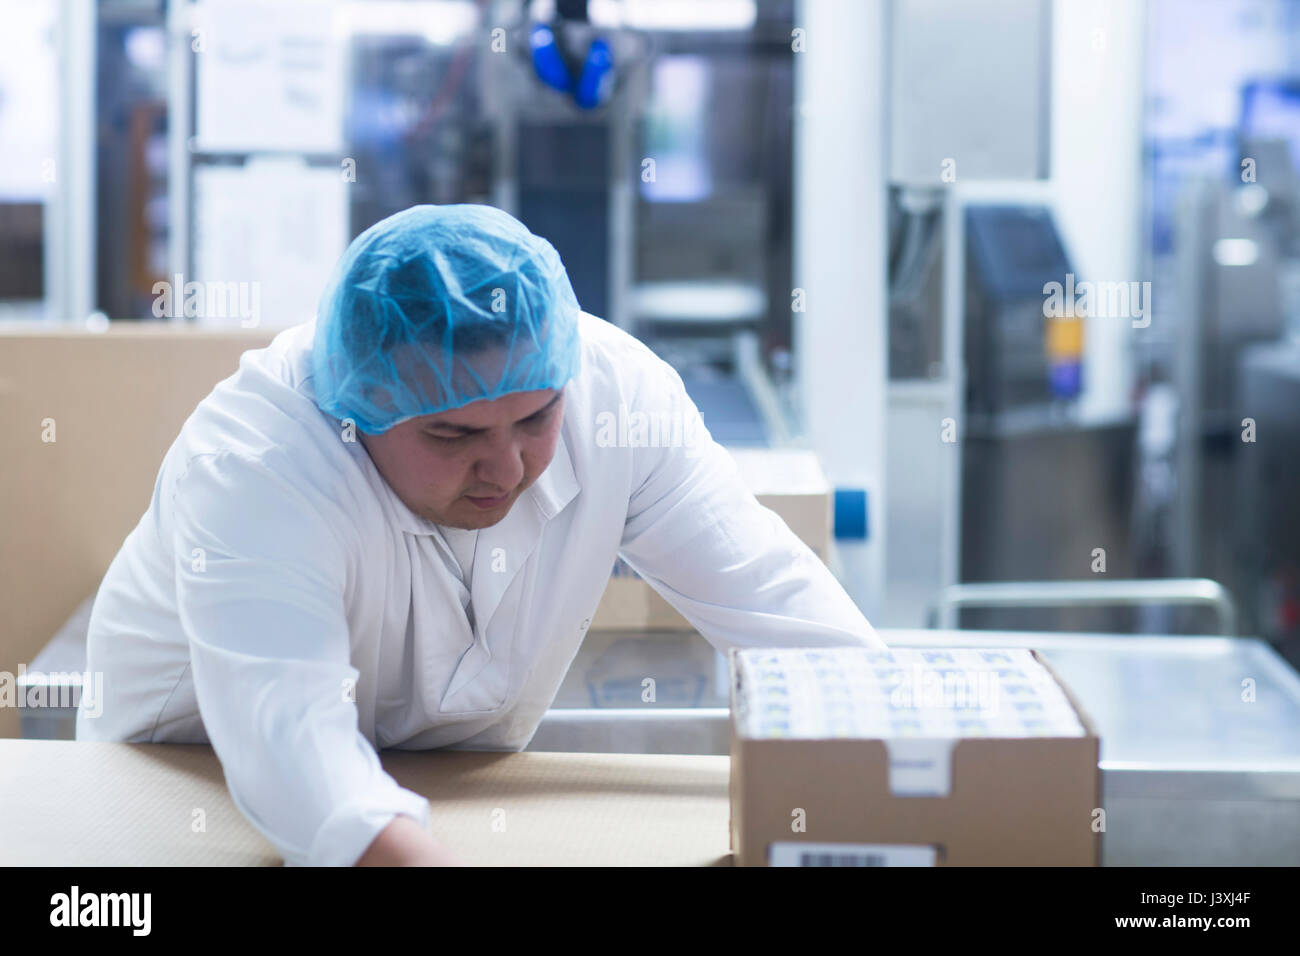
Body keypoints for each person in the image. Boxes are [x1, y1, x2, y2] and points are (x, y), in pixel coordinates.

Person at [76, 204, 883, 866]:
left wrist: (948, 774)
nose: (508, 466)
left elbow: (780, 607)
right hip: (185, 785)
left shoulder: (617, 396)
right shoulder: (260, 464)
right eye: (454, 437)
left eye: (536, 419)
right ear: (360, 406)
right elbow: (292, 746)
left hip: (453, 782)